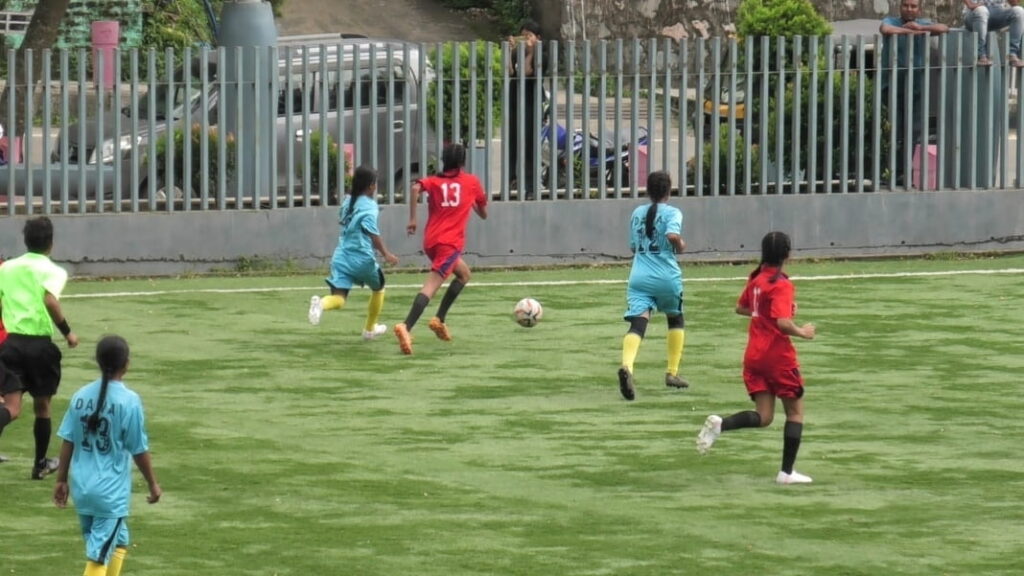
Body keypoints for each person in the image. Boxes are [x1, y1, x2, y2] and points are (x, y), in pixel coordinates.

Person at [695, 231, 817, 485]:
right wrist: (802, 332)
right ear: (787, 254)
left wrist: (766, 312)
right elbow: (783, 324)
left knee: (764, 417)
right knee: (794, 413)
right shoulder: (781, 283)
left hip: (754, 356)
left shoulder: (757, 279)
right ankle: (786, 472)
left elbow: (741, 307)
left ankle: (721, 425)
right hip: (777, 357)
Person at [53, 335, 161, 576]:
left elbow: (68, 440)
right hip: (110, 493)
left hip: (82, 487)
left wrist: (61, 480)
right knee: (99, 556)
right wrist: (153, 484)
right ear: (127, 364)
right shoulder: (129, 401)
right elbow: (139, 449)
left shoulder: (80, 395)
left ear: (98, 362)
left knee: (119, 541)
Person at [0, 216, 79, 479]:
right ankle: (40, 464)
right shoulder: (54, 271)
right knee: (42, 406)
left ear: (25, 240)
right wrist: (68, 333)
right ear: (51, 244)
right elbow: (50, 301)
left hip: (11, 345)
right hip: (39, 347)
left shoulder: (7, 268)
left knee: (11, 408)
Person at [394, 143, 488, 355]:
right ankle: (406, 326)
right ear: (463, 162)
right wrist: (471, 201)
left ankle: (439, 320)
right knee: (431, 286)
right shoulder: (471, 182)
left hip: (431, 241)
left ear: (444, 161)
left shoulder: (434, 181)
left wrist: (412, 219)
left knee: (463, 274)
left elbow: (415, 187)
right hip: (449, 243)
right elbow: (484, 214)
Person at [617, 171, 690, 401]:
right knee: (675, 318)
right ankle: (672, 373)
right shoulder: (673, 212)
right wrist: (680, 243)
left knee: (638, 324)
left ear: (648, 190)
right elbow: (672, 235)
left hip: (639, 276)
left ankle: (627, 366)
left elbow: (632, 246)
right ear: (669, 191)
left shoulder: (637, 213)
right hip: (665, 276)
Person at [308, 165, 400, 340]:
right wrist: (386, 254)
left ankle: (321, 304)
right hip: (361, 257)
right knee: (379, 288)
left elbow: (341, 219)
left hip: (341, 256)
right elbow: (372, 232)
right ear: (372, 186)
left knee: (339, 298)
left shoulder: (347, 201)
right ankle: (369, 329)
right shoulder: (370, 206)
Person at [879, 0, 949, 186]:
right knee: (893, 131)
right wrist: (913, 32)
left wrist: (919, 27)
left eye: (913, 6)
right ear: (900, 7)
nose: (909, 9)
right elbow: (885, 29)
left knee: (913, 132)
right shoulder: (892, 21)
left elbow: (944, 28)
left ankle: (903, 172)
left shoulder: (923, 23)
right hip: (892, 87)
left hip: (917, 88)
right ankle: (889, 173)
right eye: (906, 5)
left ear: (919, 9)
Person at [507, 19, 545, 200]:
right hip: (515, 101)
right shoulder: (517, 53)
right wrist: (510, 52)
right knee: (513, 141)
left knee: (530, 144)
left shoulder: (542, 55)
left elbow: (526, 71)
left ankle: (531, 186)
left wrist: (530, 51)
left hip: (531, 102)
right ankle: (511, 180)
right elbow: (510, 72)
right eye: (523, 36)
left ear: (538, 38)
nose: (525, 39)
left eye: (529, 36)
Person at [963, 0, 1024, 67]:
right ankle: (981, 55)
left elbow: (1013, 3)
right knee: (981, 11)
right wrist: (969, 4)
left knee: (1019, 11)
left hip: (997, 11)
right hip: (974, 12)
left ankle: (1012, 54)